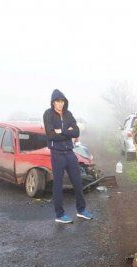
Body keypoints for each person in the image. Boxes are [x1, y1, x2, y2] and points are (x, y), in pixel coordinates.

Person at [43, 89, 92, 224]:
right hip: (57, 154)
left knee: (77, 181)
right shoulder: (48, 114)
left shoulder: (68, 114)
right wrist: (67, 132)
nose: (61, 104)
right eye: (58, 101)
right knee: (58, 185)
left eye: (62, 101)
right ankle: (59, 214)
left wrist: (61, 131)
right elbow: (50, 134)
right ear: (53, 102)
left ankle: (81, 210)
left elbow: (76, 131)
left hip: (70, 152)